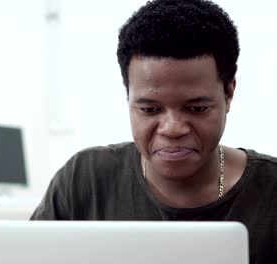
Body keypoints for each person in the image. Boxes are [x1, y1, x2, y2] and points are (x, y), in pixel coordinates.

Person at [30, 0, 277, 263]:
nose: (172, 129)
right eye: (150, 110)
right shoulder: (84, 180)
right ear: (128, 98)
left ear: (229, 94)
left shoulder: (271, 192)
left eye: (197, 108)